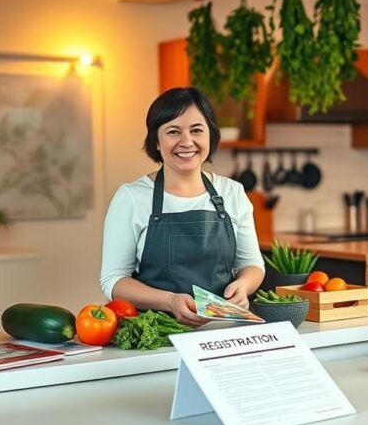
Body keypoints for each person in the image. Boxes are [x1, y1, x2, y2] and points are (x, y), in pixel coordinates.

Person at [100, 87, 265, 326]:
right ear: (156, 141)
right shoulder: (132, 197)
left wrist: (243, 285)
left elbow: (251, 264)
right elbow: (113, 280)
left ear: (210, 135)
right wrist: (169, 301)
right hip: (157, 334)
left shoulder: (232, 193)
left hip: (223, 332)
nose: (186, 142)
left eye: (197, 130)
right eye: (173, 132)